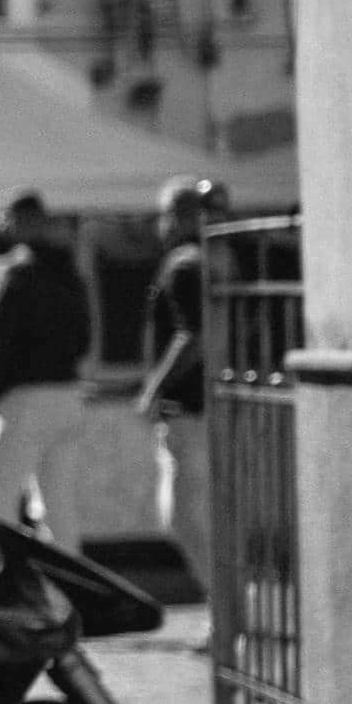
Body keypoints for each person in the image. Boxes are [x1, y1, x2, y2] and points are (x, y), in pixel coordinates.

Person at [0, 190, 98, 538]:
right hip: (67, 391)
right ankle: (65, 590)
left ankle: (1, 582)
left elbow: (4, 338)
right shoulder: (70, 271)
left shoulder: (14, 271)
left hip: (23, 395)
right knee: (57, 502)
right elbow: (83, 340)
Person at [141, 177, 227, 594]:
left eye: (163, 215)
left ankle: (226, 607)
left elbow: (193, 335)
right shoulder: (216, 258)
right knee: (201, 515)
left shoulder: (184, 265)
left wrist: (153, 389)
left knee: (183, 517)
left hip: (189, 407)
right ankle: (225, 610)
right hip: (211, 402)